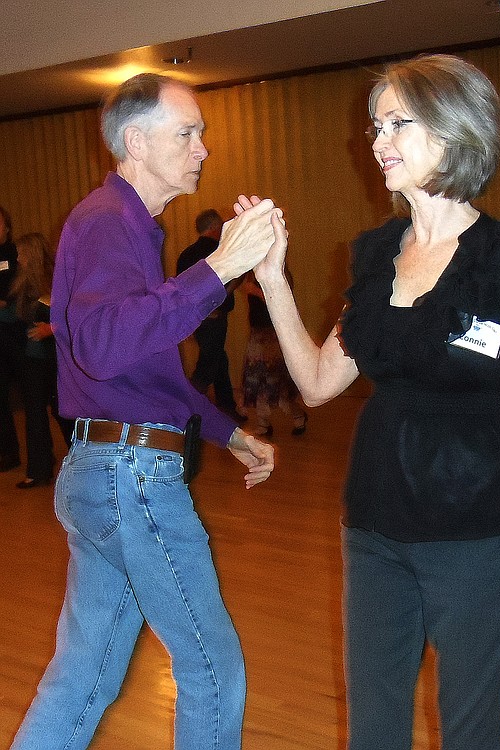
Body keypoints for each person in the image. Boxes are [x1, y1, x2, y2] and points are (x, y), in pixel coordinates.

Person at [250, 54, 500, 750]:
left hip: (476, 537)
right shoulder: (373, 256)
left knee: (471, 732)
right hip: (372, 528)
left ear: (459, 130)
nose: (377, 141)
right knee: (373, 732)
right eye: (376, 125)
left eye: (400, 122)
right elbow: (316, 382)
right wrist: (273, 280)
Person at [10, 73, 278, 750]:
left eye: (202, 134)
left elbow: (145, 369)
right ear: (136, 140)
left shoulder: (128, 227)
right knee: (212, 668)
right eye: (187, 133)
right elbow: (103, 345)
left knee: (87, 675)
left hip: (106, 469)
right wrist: (218, 268)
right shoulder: (108, 222)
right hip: (130, 478)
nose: (203, 149)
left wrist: (230, 432)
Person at [10, 232, 75, 488]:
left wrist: (51, 329)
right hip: (33, 360)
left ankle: (80, 461)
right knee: (37, 414)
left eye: (20, 253)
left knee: (63, 412)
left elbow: (72, 317)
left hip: (54, 359)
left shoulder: (52, 281)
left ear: (31, 254)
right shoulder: (24, 283)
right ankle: (39, 469)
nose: (16, 258)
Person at [176, 208, 246, 422]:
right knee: (207, 366)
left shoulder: (186, 254)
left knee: (218, 359)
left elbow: (180, 289)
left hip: (196, 318)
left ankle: (227, 408)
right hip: (215, 316)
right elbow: (238, 275)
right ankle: (183, 409)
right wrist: (221, 296)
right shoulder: (220, 251)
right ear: (215, 227)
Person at [241, 270, 307, 436]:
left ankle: (298, 416)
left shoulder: (280, 272)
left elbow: (281, 302)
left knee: (277, 380)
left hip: (275, 332)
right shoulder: (253, 272)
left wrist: (254, 291)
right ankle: (263, 423)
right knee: (256, 378)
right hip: (258, 332)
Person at [0, 205, 24, 472]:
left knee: (36, 397)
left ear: (7, 225)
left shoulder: (15, 254)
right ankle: (8, 453)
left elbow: (15, 296)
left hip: (15, 334)